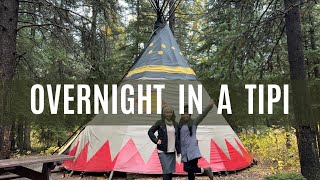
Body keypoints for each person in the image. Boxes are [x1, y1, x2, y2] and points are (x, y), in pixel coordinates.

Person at [179, 101, 215, 180]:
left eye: (187, 113)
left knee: (188, 168)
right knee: (190, 172)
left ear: (190, 114)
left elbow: (202, 115)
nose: (185, 115)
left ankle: (205, 170)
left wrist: (209, 106)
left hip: (192, 150)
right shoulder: (180, 124)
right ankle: (204, 170)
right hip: (184, 151)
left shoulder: (194, 123)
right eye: (183, 114)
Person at [148, 106, 181, 180]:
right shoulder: (159, 123)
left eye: (170, 112)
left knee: (170, 171)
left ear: (173, 113)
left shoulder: (176, 124)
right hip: (162, 150)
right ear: (163, 113)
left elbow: (178, 137)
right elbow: (150, 132)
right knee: (166, 170)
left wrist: (179, 150)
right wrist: (156, 140)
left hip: (172, 151)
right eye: (167, 112)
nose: (168, 114)